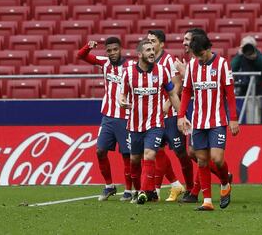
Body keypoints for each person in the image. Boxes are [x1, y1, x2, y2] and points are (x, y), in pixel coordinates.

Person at [177, 34, 240, 211]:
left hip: (217, 120)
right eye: (196, 55)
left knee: (217, 159)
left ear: (209, 48)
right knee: (202, 160)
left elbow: (230, 93)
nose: (199, 58)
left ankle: (225, 183)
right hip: (198, 121)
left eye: (201, 54)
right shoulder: (191, 66)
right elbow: (187, 92)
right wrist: (181, 115)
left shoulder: (222, 64)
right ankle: (207, 201)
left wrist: (233, 119)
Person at [119, 38, 181, 205]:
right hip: (134, 124)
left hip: (155, 123)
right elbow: (122, 95)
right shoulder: (128, 73)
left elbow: (172, 94)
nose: (152, 53)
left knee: (150, 154)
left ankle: (144, 192)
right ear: (139, 54)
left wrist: (181, 115)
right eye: (148, 50)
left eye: (153, 50)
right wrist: (122, 102)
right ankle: (139, 190)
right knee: (134, 159)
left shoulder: (162, 71)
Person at [77, 37, 134, 201]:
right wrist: (88, 46)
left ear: (120, 49)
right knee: (100, 151)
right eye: (109, 50)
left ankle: (129, 190)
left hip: (125, 118)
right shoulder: (104, 63)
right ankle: (109, 186)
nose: (112, 53)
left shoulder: (130, 67)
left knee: (127, 155)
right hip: (108, 117)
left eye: (115, 49)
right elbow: (81, 56)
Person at [147, 30, 194, 201]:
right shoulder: (148, 62)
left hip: (172, 114)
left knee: (181, 153)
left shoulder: (169, 60)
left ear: (161, 44)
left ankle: (190, 188)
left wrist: (166, 105)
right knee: (156, 151)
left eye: (153, 41)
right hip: (155, 116)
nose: (150, 43)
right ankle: (162, 188)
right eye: (148, 40)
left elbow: (178, 85)